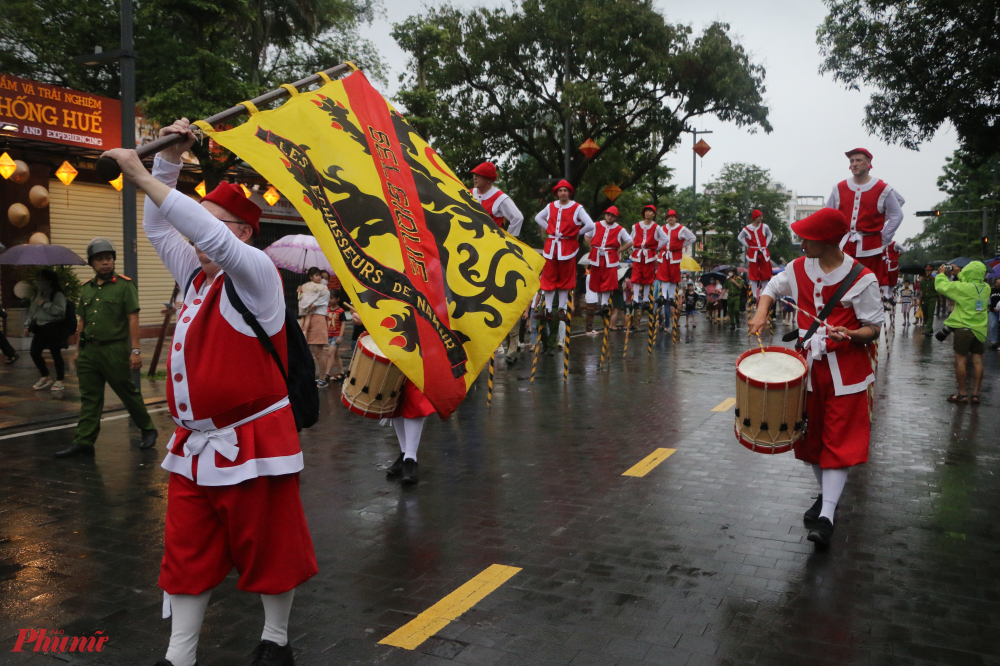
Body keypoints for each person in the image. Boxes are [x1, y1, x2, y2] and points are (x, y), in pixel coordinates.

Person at [102, 118, 317, 666]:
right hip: (194, 447)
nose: (198, 238)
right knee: (186, 553)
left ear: (243, 234)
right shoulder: (197, 277)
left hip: (254, 440)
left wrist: (139, 174)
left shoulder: (257, 274)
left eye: (218, 226)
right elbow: (158, 229)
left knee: (267, 548)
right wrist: (168, 159)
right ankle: (179, 657)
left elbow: (207, 233)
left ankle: (275, 641)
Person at [749, 208, 884, 549]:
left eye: (807, 237)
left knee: (838, 442)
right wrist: (761, 311)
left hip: (848, 373)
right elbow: (771, 287)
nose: (801, 242)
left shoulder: (863, 277)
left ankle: (827, 516)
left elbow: (873, 329)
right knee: (810, 441)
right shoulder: (797, 268)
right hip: (808, 369)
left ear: (826, 241)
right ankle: (826, 498)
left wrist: (850, 335)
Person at [56, 243, 159, 457]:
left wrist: (136, 351)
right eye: (100, 258)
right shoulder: (86, 288)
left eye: (108, 258)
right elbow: (82, 321)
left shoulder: (124, 286)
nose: (105, 262)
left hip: (114, 350)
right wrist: (77, 350)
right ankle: (84, 441)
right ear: (92, 263)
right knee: (90, 397)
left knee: (127, 393)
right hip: (88, 352)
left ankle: (148, 429)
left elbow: (133, 318)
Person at [470, 161, 526, 362]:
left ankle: (512, 344)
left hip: (495, 254)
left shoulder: (500, 198)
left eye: (478, 175)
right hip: (473, 251)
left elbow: (517, 218)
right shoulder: (471, 193)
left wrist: (506, 243)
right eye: (474, 175)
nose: (474, 178)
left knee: (501, 296)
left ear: (488, 179)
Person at [826, 148, 904, 289]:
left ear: (868, 163)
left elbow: (897, 214)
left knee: (869, 286)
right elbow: (827, 215)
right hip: (844, 247)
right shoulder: (839, 188)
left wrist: (884, 239)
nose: (854, 164)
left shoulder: (882, 188)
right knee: (841, 286)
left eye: (858, 160)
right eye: (851, 161)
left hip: (871, 248)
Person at [534, 180, 595, 322]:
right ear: (557, 193)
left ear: (569, 193)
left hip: (568, 246)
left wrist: (576, 233)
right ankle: (547, 309)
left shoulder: (577, 207)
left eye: (565, 190)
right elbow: (538, 218)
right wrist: (550, 229)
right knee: (548, 277)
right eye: (560, 190)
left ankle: (562, 308)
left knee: (565, 278)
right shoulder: (551, 206)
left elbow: (590, 224)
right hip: (551, 245)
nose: (562, 193)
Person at [936, 262, 989, 405]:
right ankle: (976, 394)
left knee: (961, 361)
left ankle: (962, 393)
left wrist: (941, 274)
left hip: (963, 328)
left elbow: (943, 287)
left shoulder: (963, 288)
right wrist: (959, 274)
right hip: (980, 329)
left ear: (969, 272)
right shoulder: (986, 288)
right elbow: (971, 284)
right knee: (978, 362)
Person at [24, 269, 67, 392]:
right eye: (37, 280)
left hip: (53, 327)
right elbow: (32, 310)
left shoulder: (57, 294)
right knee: (34, 352)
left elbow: (60, 311)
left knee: (55, 354)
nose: (38, 282)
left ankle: (59, 380)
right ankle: (45, 376)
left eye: (41, 280)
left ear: (49, 281)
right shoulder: (37, 293)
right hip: (40, 327)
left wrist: (44, 304)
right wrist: (27, 324)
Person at [585, 206, 633, 315]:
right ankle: (601, 303)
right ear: (605, 214)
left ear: (615, 217)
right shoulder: (595, 225)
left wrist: (620, 250)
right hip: (596, 255)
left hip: (610, 257)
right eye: (608, 215)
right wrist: (591, 247)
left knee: (608, 280)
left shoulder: (620, 229)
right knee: (597, 279)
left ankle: (605, 303)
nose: (610, 217)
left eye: (613, 216)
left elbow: (630, 242)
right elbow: (587, 236)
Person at [655, 210, 696, 317]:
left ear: (675, 218)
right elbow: (657, 239)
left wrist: (681, 245)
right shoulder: (662, 228)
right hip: (664, 254)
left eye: (672, 217)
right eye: (668, 217)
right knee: (663, 275)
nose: (670, 219)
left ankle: (671, 297)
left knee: (673, 276)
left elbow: (692, 238)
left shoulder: (681, 228)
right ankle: (664, 296)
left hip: (674, 256)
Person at [630, 205, 668, 312]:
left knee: (648, 276)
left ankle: (646, 299)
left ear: (654, 214)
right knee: (636, 275)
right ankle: (636, 299)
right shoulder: (636, 226)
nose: (648, 213)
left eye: (650, 211)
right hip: (638, 254)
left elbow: (666, 239)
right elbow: (631, 239)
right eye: (646, 211)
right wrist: (635, 249)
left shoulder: (656, 227)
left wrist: (655, 247)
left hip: (649, 255)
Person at [298, 267, 329, 387]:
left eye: (325, 278)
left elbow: (313, 305)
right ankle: (310, 376)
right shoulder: (311, 288)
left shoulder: (324, 290)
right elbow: (304, 303)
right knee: (307, 352)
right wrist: (301, 292)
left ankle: (323, 377)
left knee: (318, 353)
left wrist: (307, 303)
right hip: (308, 318)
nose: (322, 279)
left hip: (318, 319)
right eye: (321, 276)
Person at [737, 209, 773, 300]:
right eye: (760, 216)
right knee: (753, 275)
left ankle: (765, 294)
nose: (761, 218)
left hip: (763, 252)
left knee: (765, 274)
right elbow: (740, 237)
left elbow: (770, 235)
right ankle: (754, 296)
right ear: (755, 217)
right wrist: (748, 245)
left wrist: (766, 244)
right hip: (753, 254)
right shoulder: (747, 229)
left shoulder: (765, 227)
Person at [322, 291, 348, 384]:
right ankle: (341, 372)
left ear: (338, 299)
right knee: (336, 355)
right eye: (329, 298)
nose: (330, 300)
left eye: (332, 298)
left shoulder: (340, 311)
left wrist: (340, 336)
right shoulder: (327, 310)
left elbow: (343, 323)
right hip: (329, 335)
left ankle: (327, 374)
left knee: (330, 354)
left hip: (336, 335)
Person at [918, 264, 938, 336]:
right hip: (924, 299)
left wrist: (940, 300)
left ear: (932, 271)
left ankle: (928, 329)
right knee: (925, 315)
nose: (928, 272)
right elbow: (921, 291)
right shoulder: (923, 281)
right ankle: (929, 327)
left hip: (932, 299)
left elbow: (937, 290)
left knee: (930, 314)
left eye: (929, 270)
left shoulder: (934, 280)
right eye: (926, 270)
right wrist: (919, 300)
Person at [989, 277, 1000, 351]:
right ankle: (994, 341)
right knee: (993, 326)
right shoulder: (992, 290)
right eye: (996, 281)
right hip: (993, 311)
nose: (997, 282)